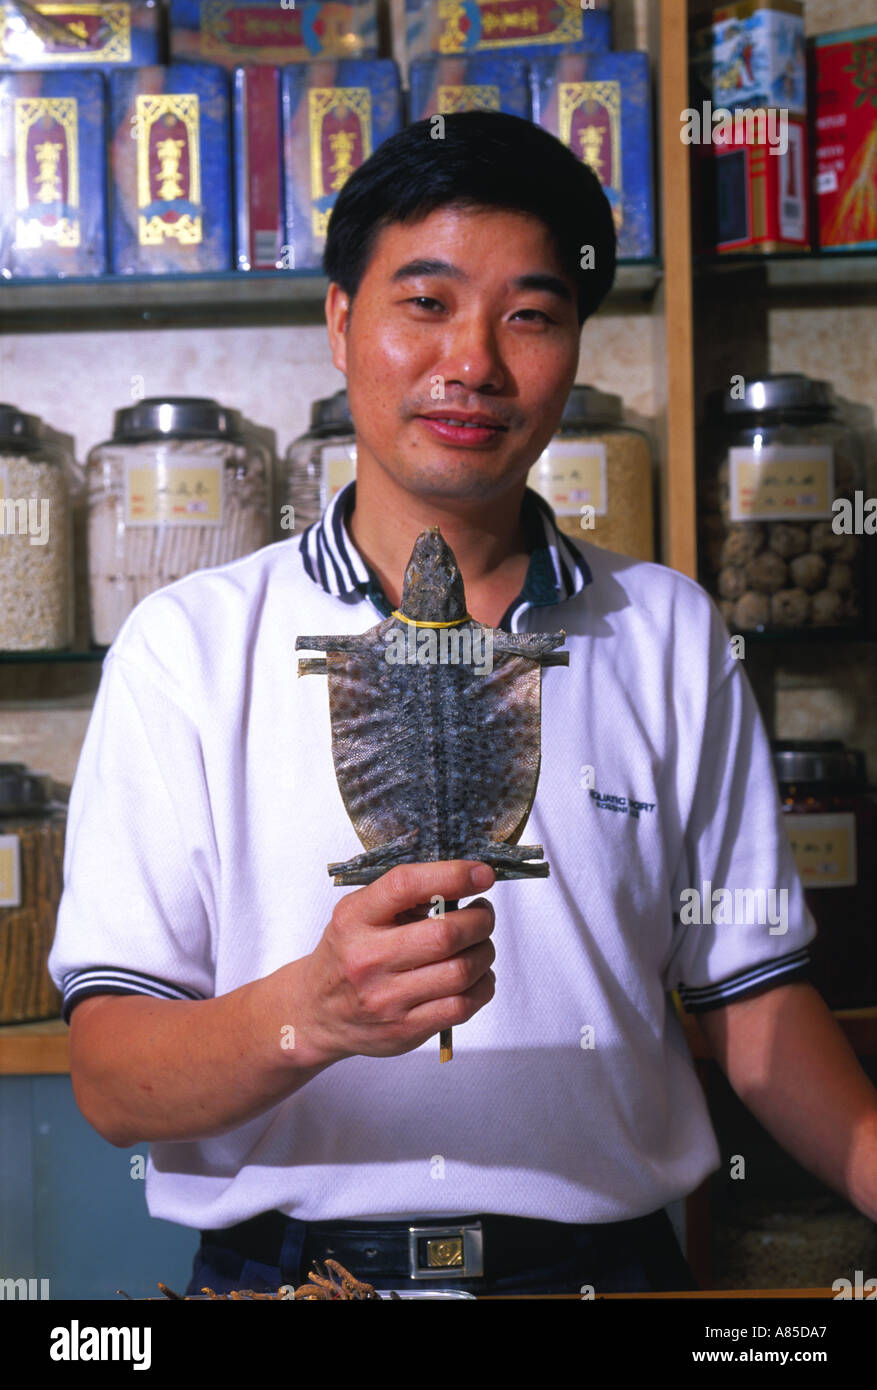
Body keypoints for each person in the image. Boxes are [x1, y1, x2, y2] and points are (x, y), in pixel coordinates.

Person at [49, 112, 877, 1297]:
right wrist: (316, 1012)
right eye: (425, 303)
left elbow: (754, 1009)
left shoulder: (669, 631)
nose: (474, 363)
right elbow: (113, 1080)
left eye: (529, 315)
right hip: (294, 1279)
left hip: (611, 1273)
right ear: (340, 322)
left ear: (575, 347)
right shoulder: (186, 648)